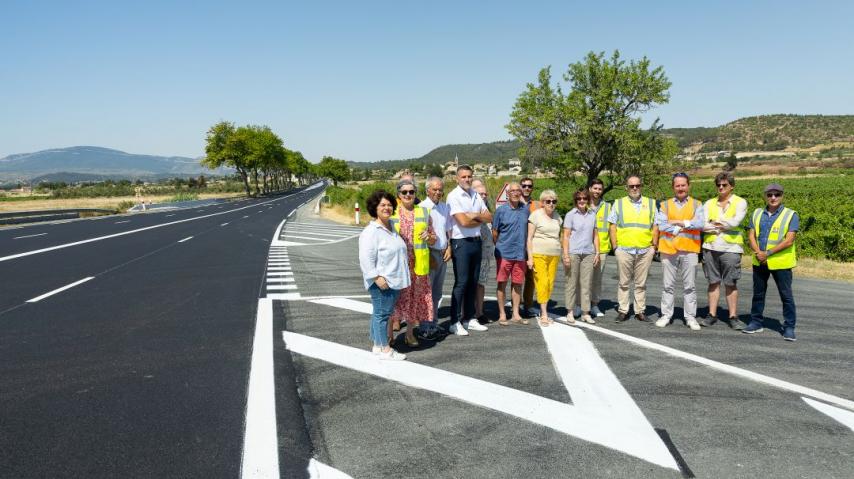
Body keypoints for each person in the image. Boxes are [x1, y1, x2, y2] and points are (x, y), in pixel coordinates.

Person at [358, 190, 409, 360]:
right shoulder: (371, 231)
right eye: (382, 205)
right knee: (382, 315)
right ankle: (386, 350)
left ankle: (378, 346)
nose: (387, 207)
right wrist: (376, 278)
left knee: (379, 313)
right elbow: (366, 258)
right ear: (375, 208)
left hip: (393, 279)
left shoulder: (391, 226)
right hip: (382, 281)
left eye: (389, 205)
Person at [745, 183, 799, 341]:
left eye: (777, 194)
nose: (773, 198)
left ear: (782, 196)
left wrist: (767, 253)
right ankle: (756, 322)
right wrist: (758, 253)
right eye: (770, 195)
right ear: (765, 196)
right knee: (758, 294)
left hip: (780, 262)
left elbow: (789, 240)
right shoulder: (756, 213)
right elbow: (751, 236)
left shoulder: (791, 215)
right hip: (759, 261)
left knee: (786, 296)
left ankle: (789, 327)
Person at [389, 179, 437, 347]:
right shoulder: (391, 212)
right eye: (404, 192)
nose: (408, 195)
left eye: (412, 192)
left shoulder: (423, 212)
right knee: (394, 299)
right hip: (397, 264)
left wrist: (429, 237)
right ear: (398, 195)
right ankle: (389, 335)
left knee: (414, 300)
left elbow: (433, 238)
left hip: (418, 265)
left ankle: (409, 334)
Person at [654, 173, 705, 331]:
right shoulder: (665, 205)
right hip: (668, 251)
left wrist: (678, 221)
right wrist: (679, 227)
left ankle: (690, 317)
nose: (680, 188)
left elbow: (700, 223)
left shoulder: (697, 204)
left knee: (690, 286)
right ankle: (666, 315)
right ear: (673, 187)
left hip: (689, 250)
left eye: (683, 185)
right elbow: (661, 225)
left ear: (688, 185)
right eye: (677, 185)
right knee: (667, 285)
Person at [447, 165, 493, 335]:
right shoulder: (453, 196)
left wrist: (473, 215)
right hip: (461, 243)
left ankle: (469, 318)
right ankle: (454, 321)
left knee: (473, 282)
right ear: (457, 178)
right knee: (461, 282)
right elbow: (463, 222)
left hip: (476, 241)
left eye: (469, 177)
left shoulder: (475, 194)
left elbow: (489, 216)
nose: (467, 179)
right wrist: (476, 217)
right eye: (463, 177)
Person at [609, 175, 659, 323]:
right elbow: (612, 226)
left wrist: (653, 247)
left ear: (641, 186)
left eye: (637, 185)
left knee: (641, 283)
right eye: (632, 186)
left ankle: (640, 311)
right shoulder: (618, 204)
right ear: (627, 188)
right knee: (623, 283)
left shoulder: (651, 203)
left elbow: (655, 226)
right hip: (624, 249)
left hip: (645, 250)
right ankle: (623, 310)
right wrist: (615, 247)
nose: (635, 188)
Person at [701, 171, 747, 329]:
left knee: (730, 282)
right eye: (718, 185)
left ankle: (733, 316)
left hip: (731, 248)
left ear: (731, 186)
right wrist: (719, 225)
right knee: (713, 282)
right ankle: (712, 314)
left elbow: (735, 222)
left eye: (724, 185)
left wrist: (715, 223)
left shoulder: (740, 203)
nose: (721, 187)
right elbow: (703, 225)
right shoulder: (708, 203)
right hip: (710, 247)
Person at [571, 178, 610, 318]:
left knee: (596, 280)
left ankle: (594, 305)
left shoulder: (607, 207)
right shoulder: (582, 205)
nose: (597, 191)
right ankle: (578, 305)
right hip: (584, 248)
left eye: (600, 189)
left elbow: (611, 227)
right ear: (590, 189)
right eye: (595, 188)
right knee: (581, 279)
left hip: (603, 248)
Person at [492, 182, 530, 326]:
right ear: (507, 194)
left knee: (517, 284)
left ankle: (515, 313)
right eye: (512, 191)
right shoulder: (501, 211)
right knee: (501, 283)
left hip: (520, 254)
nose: (515, 193)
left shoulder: (525, 210)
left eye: (518, 191)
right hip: (504, 253)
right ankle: (502, 314)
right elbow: (495, 232)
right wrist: (500, 245)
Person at [419, 176, 451, 341]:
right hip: (429, 253)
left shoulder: (445, 207)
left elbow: (447, 230)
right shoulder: (422, 208)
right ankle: (425, 326)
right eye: (435, 189)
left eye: (440, 189)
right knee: (427, 293)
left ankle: (433, 323)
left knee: (437, 293)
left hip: (442, 253)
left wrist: (449, 247)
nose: (438, 192)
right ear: (427, 190)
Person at [562, 188, 600, 324]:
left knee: (586, 284)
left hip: (588, 253)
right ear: (575, 201)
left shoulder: (592, 215)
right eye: (579, 199)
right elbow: (565, 236)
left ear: (588, 200)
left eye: (584, 198)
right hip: (573, 252)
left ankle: (585, 312)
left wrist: (597, 252)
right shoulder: (570, 215)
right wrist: (565, 255)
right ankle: (570, 311)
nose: (582, 201)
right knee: (571, 283)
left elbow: (595, 236)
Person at [527, 190, 563, 326]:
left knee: (550, 283)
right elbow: (529, 238)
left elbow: (559, 236)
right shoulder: (535, 216)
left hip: (554, 254)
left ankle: (544, 309)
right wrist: (530, 258)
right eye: (548, 201)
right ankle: (544, 314)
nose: (551, 204)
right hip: (538, 253)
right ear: (542, 203)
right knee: (542, 282)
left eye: (554, 201)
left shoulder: (558, 217)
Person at [474, 182, 494, 323]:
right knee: (469, 284)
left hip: (486, 255)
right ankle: (467, 313)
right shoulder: (472, 211)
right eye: (480, 193)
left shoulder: (488, 211)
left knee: (481, 284)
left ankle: (480, 312)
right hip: (473, 253)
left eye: (485, 193)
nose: (484, 196)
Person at [519, 177, 539, 316]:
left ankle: (528, 305)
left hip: (532, 246)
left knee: (531, 278)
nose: (527, 188)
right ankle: (516, 305)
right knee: (517, 278)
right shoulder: (514, 203)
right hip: (517, 245)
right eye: (524, 185)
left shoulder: (538, 206)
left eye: (529, 186)